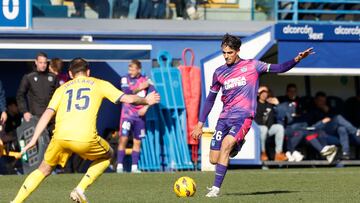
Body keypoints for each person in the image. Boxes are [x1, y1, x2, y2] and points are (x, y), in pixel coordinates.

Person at [11, 58, 160, 203]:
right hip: (85, 137)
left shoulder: (62, 89)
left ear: (70, 74)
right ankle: (80, 189)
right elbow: (129, 99)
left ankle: (16, 201)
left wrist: (33, 139)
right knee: (109, 155)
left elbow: (47, 114)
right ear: (88, 72)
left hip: (60, 137)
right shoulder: (99, 84)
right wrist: (146, 100)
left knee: (43, 169)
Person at [191, 33, 314, 197]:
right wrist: (200, 123)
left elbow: (279, 68)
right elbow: (210, 99)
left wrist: (297, 59)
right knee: (214, 159)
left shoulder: (253, 66)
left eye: (230, 52)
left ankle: (215, 189)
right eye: (224, 53)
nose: (226, 56)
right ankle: (238, 144)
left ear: (237, 51)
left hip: (243, 117)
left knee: (227, 146)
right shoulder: (219, 72)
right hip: (224, 118)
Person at [116, 60, 156, 173]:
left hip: (140, 116)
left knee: (137, 141)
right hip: (127, 115)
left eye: (133, 69)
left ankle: (134, 167)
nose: (130, 71)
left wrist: (146, 107)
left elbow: (155, 95)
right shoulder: (125, 79)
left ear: (139, 69)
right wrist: (140, 87)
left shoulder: (146, 79)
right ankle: (119, 166)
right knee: (123, 139)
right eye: (129, 69)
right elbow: (126, 92)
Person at [306, 92, 360, 160]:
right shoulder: (312, 110)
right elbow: (311, 127)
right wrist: (322, 122)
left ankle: (345, 153)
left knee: (342, 128)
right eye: (320, 101)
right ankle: (355, 131)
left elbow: (333, 117)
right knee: (338, 118)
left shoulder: (328, 108)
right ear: (315, 100)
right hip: (321, 131)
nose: (322, 103)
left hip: (331, 131)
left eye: (324, 101)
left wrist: (328, 111)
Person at [16, 52, 59, 123]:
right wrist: (24, 111)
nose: (43, 65)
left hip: (51, 115)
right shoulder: (29, 77)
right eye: (40, 62)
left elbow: (58, 95)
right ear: (36, 62)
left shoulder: (53, 77)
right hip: (36, 116)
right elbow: (20, 95)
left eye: (45, 63)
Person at [255, 86, 287, 161]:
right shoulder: (254, 104)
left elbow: (282, 115)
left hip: (267, 129)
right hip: (257, 130)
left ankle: (278, 154)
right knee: (264, 128)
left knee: (279, 127)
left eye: (266, 93)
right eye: (262, 93)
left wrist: (277, 104)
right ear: (258, 94)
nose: (264, 94)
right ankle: (263, 152)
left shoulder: (270, 104)